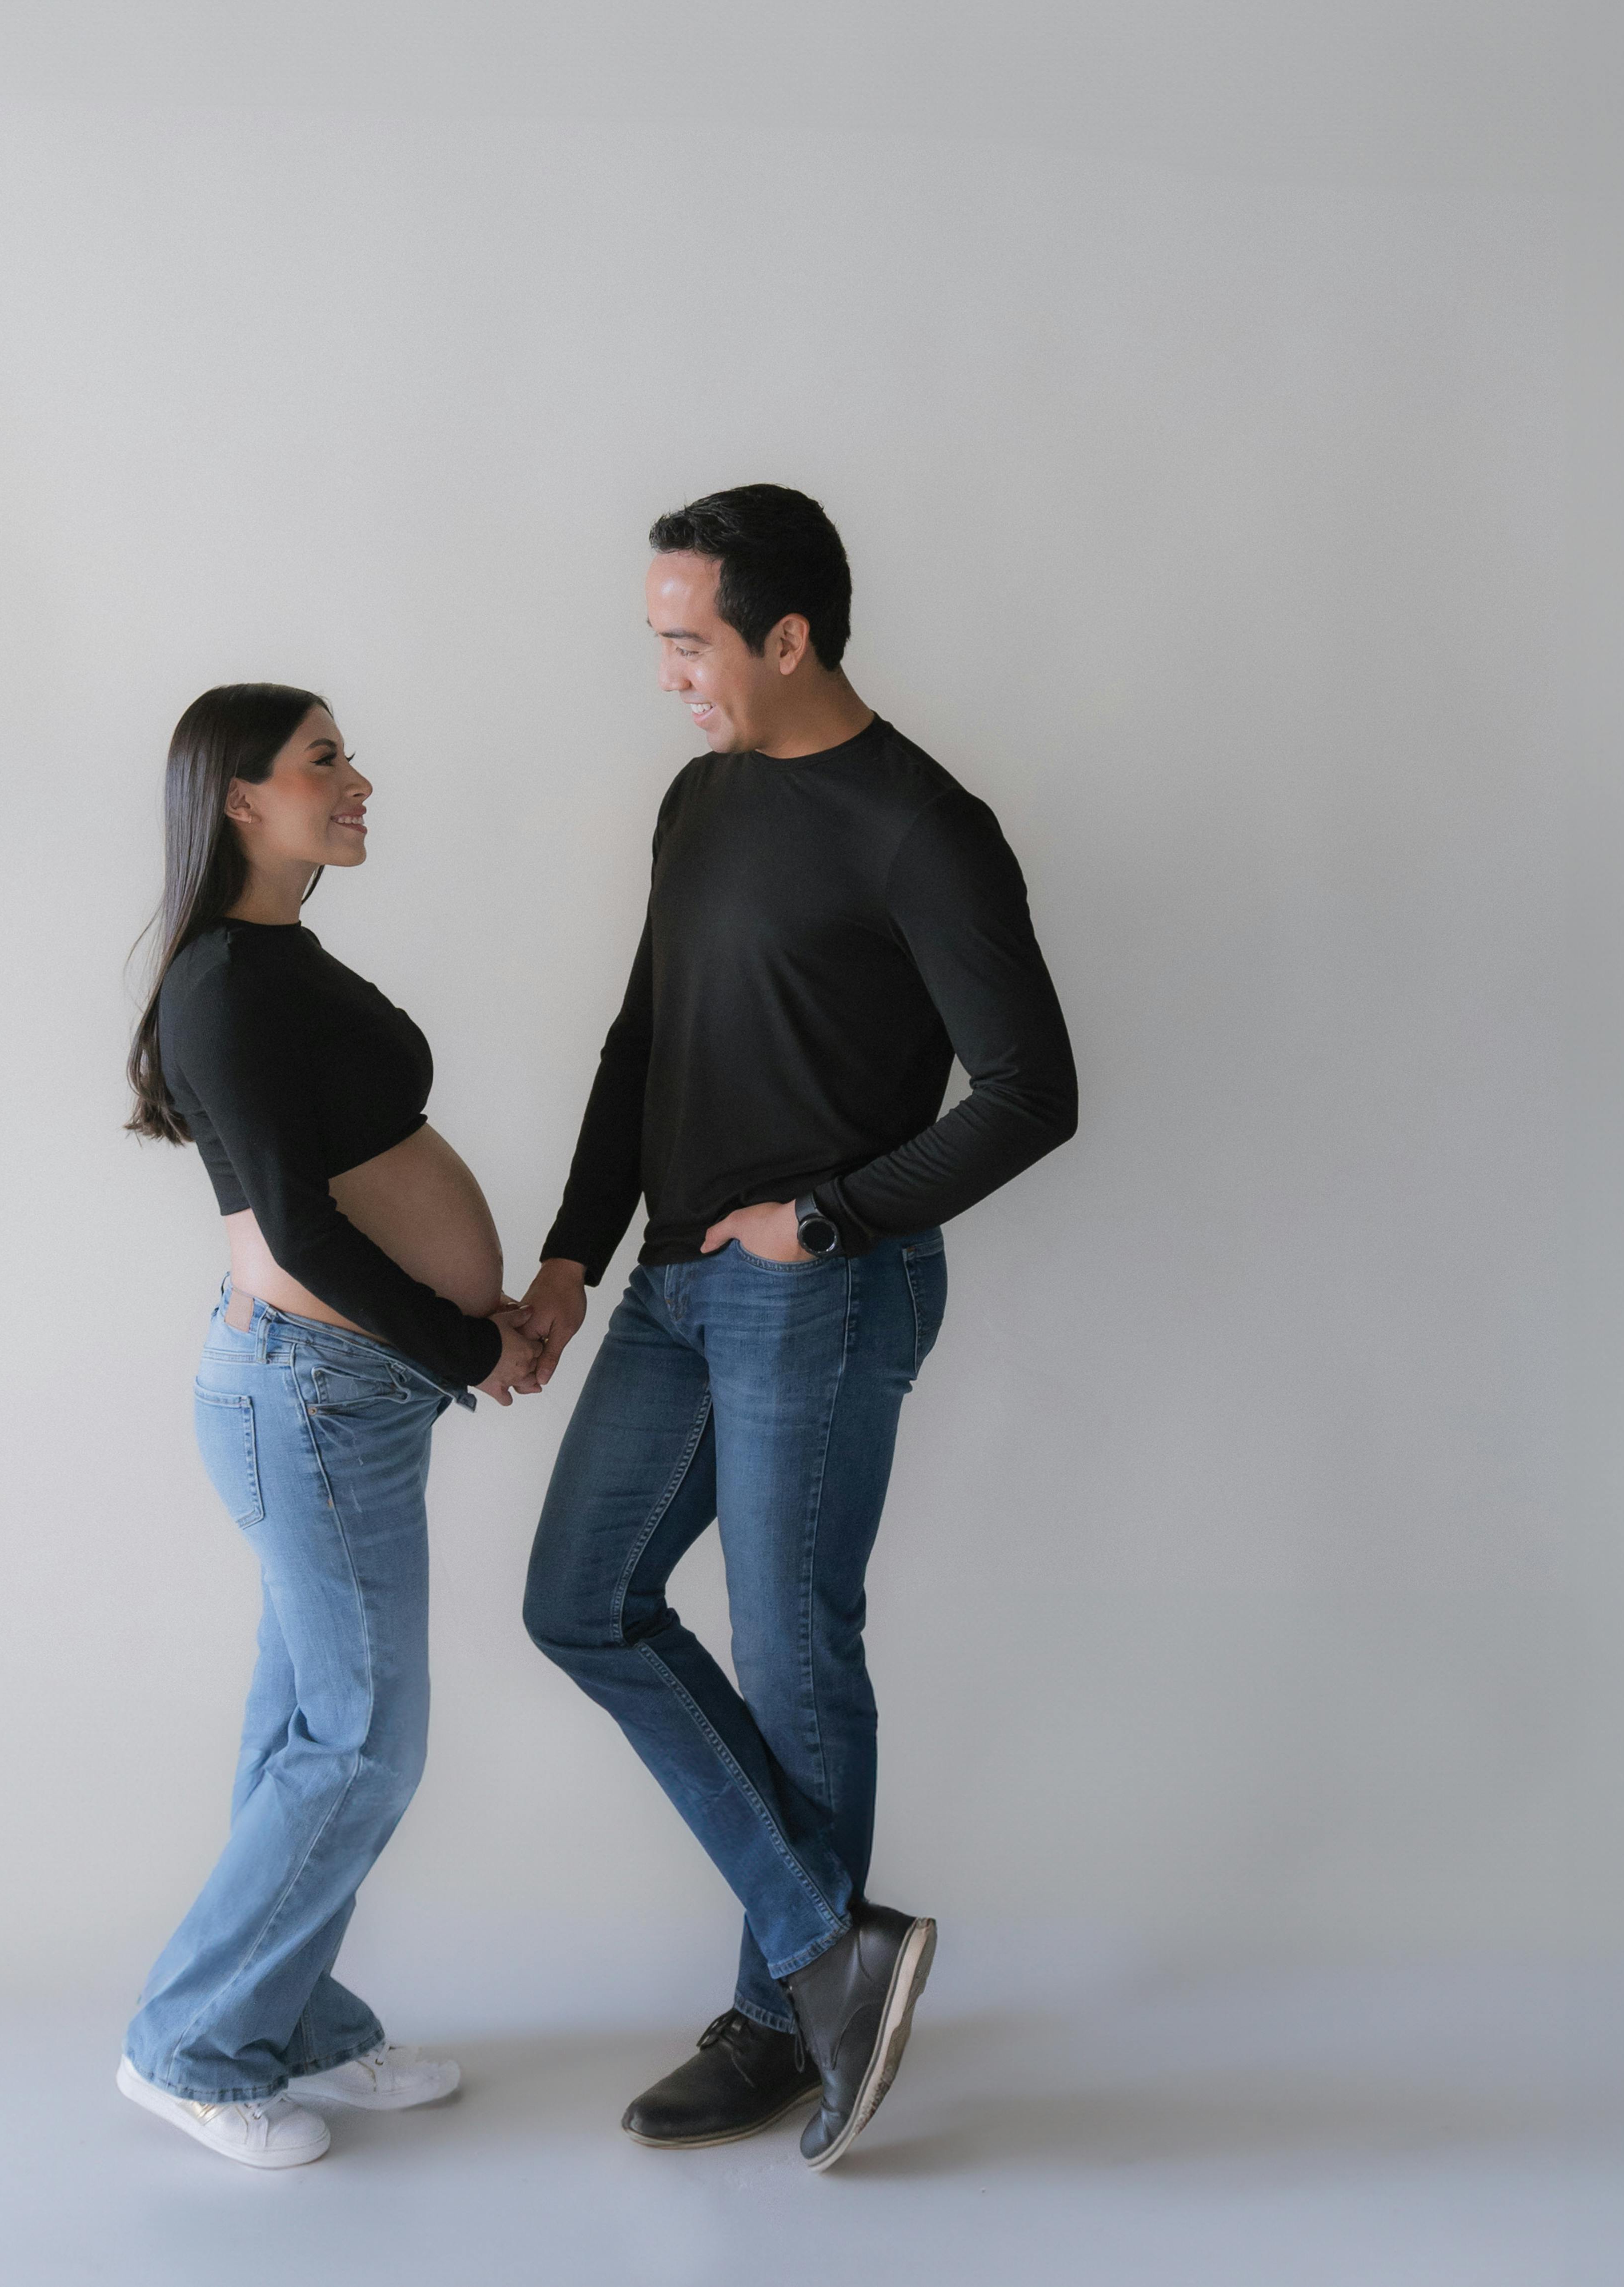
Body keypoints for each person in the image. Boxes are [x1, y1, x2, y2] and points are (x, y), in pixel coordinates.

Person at [517, 487, 1077, 2169]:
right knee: (578, 1600)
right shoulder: (701, 799)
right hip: (671, 1281)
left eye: (687, 640)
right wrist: (566, 1254)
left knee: (791, 1646)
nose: (668, 672)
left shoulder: (921, 826)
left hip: (821, 1282)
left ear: (789, 635)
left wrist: (825, 1215)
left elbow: (1033, 1093)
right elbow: (643, 1042)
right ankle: (831, 1952)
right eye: (657, 641)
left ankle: (783, 2012)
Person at [115, 683, 539, 2170]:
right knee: (359, 1741)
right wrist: (468, 1341)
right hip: (310, 1385)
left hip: (348, 1389)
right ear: (238, 795)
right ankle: (188, 2044)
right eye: (323, 761)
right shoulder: (223, 984)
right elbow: (296, 1226)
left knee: (309, 1722)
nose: (358, 780)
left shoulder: (281, 959)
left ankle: (283, 2015)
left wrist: (470, 1333)